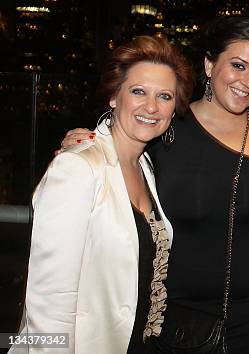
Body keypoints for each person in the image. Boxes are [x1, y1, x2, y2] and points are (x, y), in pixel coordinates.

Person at [60, 16, 249, 353]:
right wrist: (86, 143)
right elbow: (116, 147)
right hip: (176, 320)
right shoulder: (165, 126)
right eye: (238, 66)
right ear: (209, 64)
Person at [11, 36, 195, 354]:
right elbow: (49, 299)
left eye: (164, 96)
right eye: (138, 91)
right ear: (114, 96)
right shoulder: (78, 167)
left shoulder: (146, 167)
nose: (151, 107)